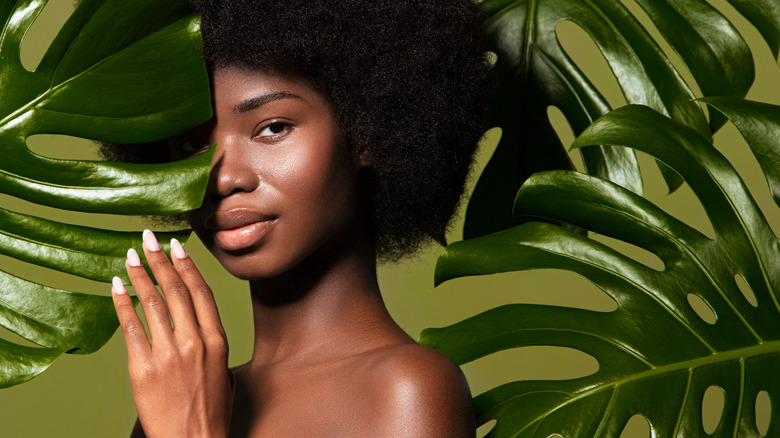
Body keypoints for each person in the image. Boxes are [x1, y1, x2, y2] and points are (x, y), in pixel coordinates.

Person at [104, 0, 492, 435]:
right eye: (193, 146)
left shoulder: (406, 388)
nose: (224, 177)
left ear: (366, 131)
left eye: (272, 128)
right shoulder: (186, 396)